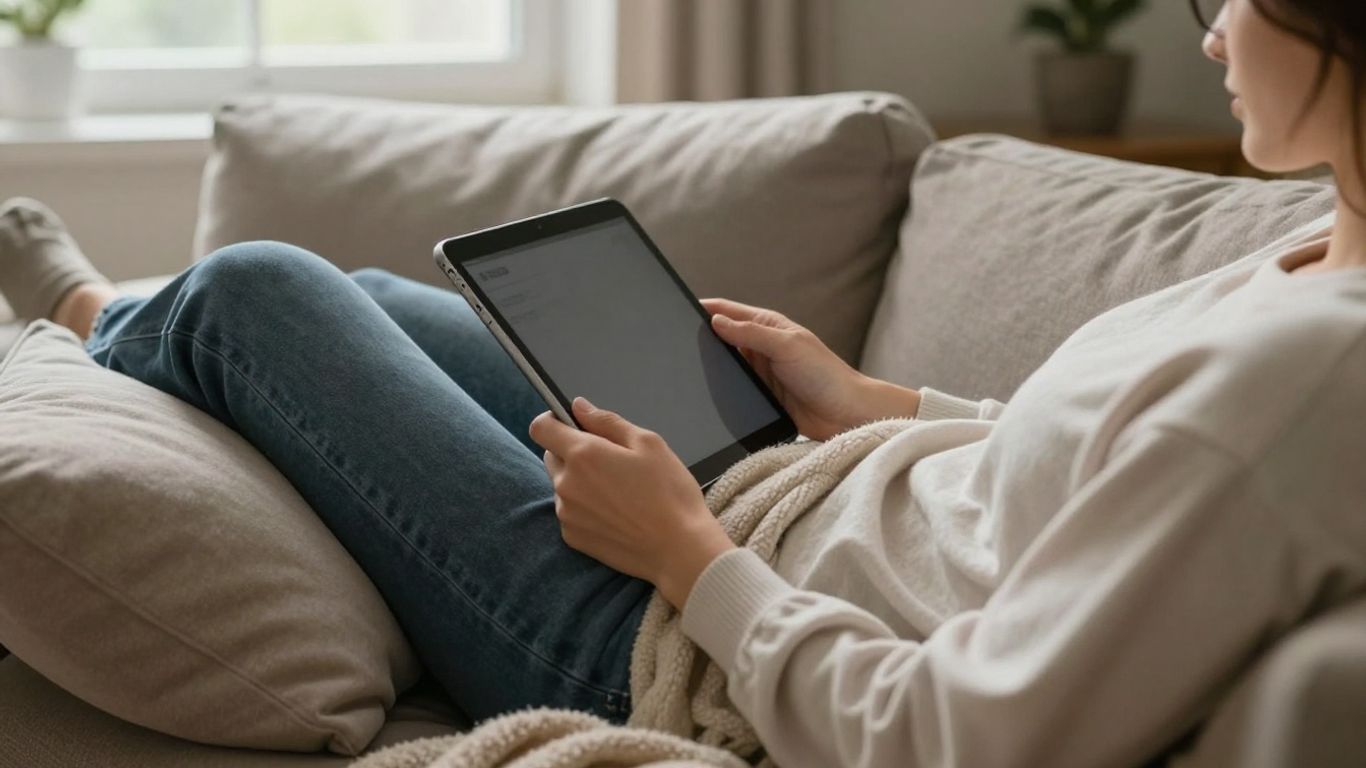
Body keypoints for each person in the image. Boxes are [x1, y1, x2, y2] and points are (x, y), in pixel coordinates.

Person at [1, 0, 1363, 764]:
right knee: (374, 305)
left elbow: (959, 739)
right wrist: (863, 401)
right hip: (777, 500)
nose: (1203, 37)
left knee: (257, 292)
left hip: (681, 650)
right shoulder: (1307, 263)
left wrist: (687, 553)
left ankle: (94, 319)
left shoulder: (1316, 374)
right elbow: (1102, 461)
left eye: (1227, 1)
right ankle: (136, 323)